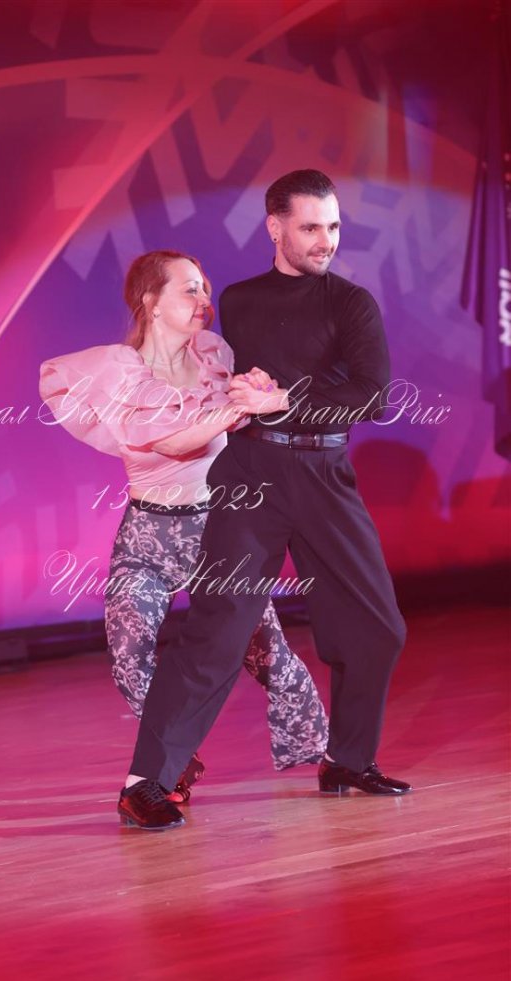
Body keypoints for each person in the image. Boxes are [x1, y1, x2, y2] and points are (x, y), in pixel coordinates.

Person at [121, 170, 412, 831]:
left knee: (377, 628)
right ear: (275, 227)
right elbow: (207, 363)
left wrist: (283, 396)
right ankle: (146, 782)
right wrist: (237, 391)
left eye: (333, 227)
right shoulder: (241, 300)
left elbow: (372, 395)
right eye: (310, 227)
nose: (325, 240)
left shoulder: (351, 304)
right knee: (219, 628)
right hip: (252, 474)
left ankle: (347, 760)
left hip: (324, 474)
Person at [39, 249, 328, 812]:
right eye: (189, 289)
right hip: (147, 537)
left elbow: (251, 402)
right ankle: (170, 759)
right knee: (129, 655)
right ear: (151, 300)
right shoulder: (118, 371)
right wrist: (235, 412)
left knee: (267, 655)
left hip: (218, 533)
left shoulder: (216, 354)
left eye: (205, 288)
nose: (204, 300)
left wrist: (255, 390)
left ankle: (331, 751)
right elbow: (171, 443)